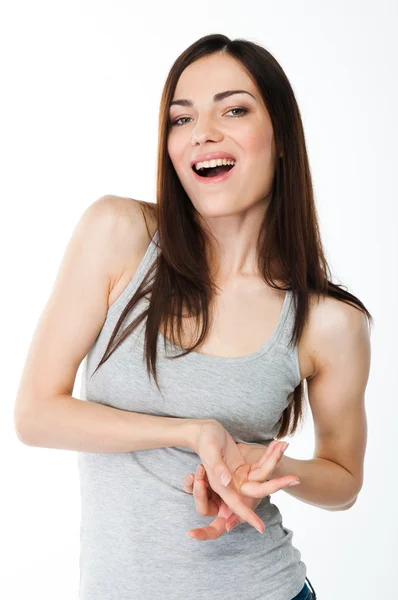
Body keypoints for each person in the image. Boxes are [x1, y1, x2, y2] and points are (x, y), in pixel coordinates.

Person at [14, 34, 372, 600]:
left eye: (233, 109)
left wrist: (260, 463)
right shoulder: (120, 235)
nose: (202, 133)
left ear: (281, 137)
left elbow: (345, 481)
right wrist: (193, 432)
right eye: (182, 119)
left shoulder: (328, 321)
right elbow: (35, 415)